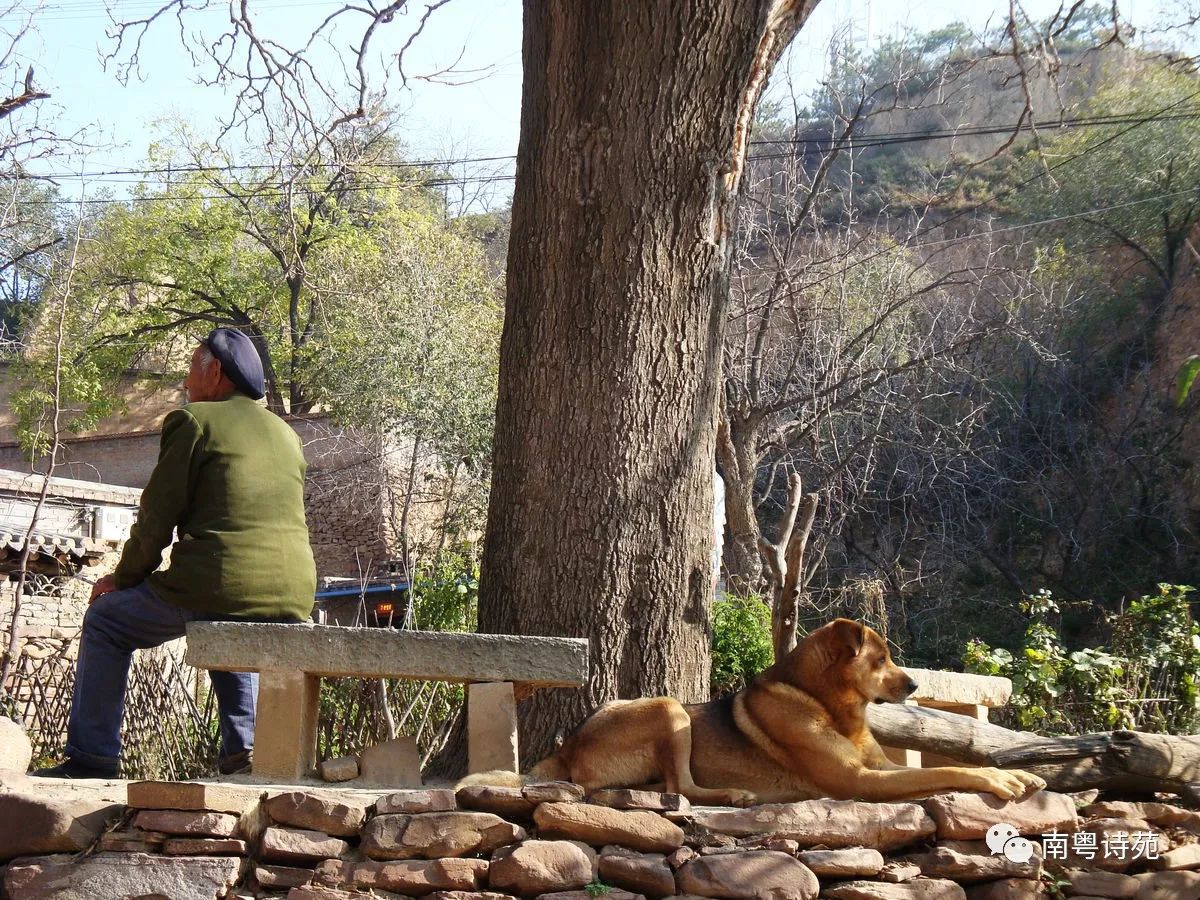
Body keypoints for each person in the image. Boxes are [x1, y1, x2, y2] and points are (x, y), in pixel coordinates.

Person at [35, 328, 317, 779]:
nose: (186, 381)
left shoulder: (194, 421)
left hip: (219, 582)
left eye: (191, 368)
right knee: (229, 618)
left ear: (216, 373)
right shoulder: (286, 434)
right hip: (293, 593)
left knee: (107, 622)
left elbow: (155, 520)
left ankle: (91, 760)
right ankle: (242, 752)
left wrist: (123, 578)